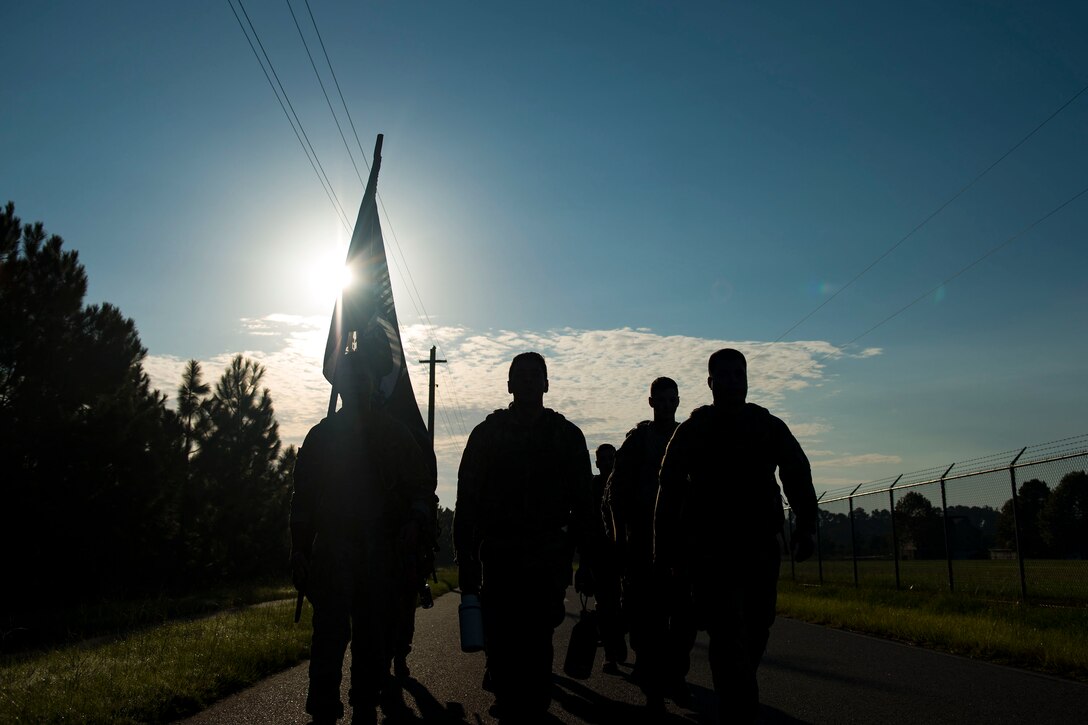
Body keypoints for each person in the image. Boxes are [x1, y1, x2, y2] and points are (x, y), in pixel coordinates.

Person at [654, 348, 817, 724]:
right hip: (710, 555)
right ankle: (738, 708)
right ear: (710, 382)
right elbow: (670, 491)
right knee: (727, 637)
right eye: (722, 376)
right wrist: (663, 554)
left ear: (746, 379)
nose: (730, 383)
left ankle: (738, 693)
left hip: (759, 550)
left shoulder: (766, 425)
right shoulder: (693, 430)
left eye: (736, 375)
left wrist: (807, 525)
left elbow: (796, 472)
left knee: (758, 627)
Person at [290, 353, 437, 725]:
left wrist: (416, 522)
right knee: (329, 633)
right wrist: (299, 548)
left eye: (363, 378)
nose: (356, 385)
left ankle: (366, 700)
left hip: (381, 550)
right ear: (339, 385)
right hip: (334, 548)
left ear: (374, 384)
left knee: (372, 635)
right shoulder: (322, 436)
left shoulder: (395, 435)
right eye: (349, 378)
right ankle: (324, 704)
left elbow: (422, 489)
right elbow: (303, 499)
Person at [453, 352, 597, 722]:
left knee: (537, 638)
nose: (530, 381)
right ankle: (506, 693)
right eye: (522, 376)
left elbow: (585, 506)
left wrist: (592, 561)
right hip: (499, 556)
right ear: (509, 385)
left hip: (547, 557)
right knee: (500, 635)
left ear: (547, 384)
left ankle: (532, 703)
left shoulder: (566, 436)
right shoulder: (488, 434)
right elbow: (466, 501)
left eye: (537, 376)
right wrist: (465, 561)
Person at [604, 376, 695, 712]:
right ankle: (652, 683)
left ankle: (676, 676)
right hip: (642, 543)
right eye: (662, 400)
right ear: (651, 402)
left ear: (678, 401)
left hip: (681, 543)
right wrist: (620, 538)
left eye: (673, 400)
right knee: (646, 616)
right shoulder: (639, 440)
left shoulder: (688, 438)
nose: (667, 405)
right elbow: (615, 493)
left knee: (684, 618)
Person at [590, 443, 627, 673]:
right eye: (603, 459)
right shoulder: (592, 487)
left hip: (624, 553)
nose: (607, 463)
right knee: (605, 605)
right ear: (597, 463)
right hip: (600, 556)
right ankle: (610, 652)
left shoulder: (624, 484)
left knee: (626, 604)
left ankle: (618, 637)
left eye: (611, 458)